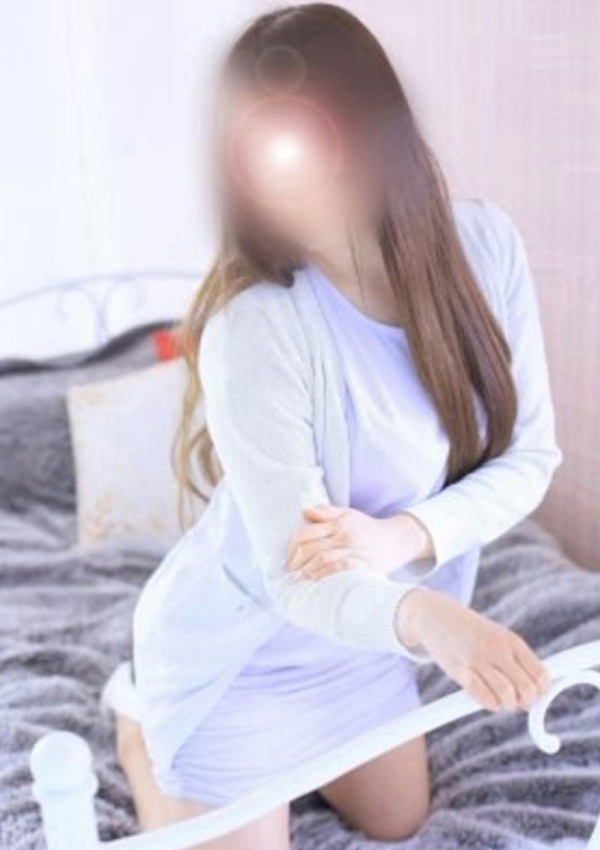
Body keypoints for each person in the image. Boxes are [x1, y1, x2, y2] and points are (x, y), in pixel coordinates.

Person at [103, 5, 563, 847]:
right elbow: (297, 576)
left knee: (402, 819)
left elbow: (531, 457)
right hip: (246, 656)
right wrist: (429, 618)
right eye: (266, 150)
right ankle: (140, 721)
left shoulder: (485, 248)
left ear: (376, 127)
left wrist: (403, 539)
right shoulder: (257, 326)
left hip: (366, 639)